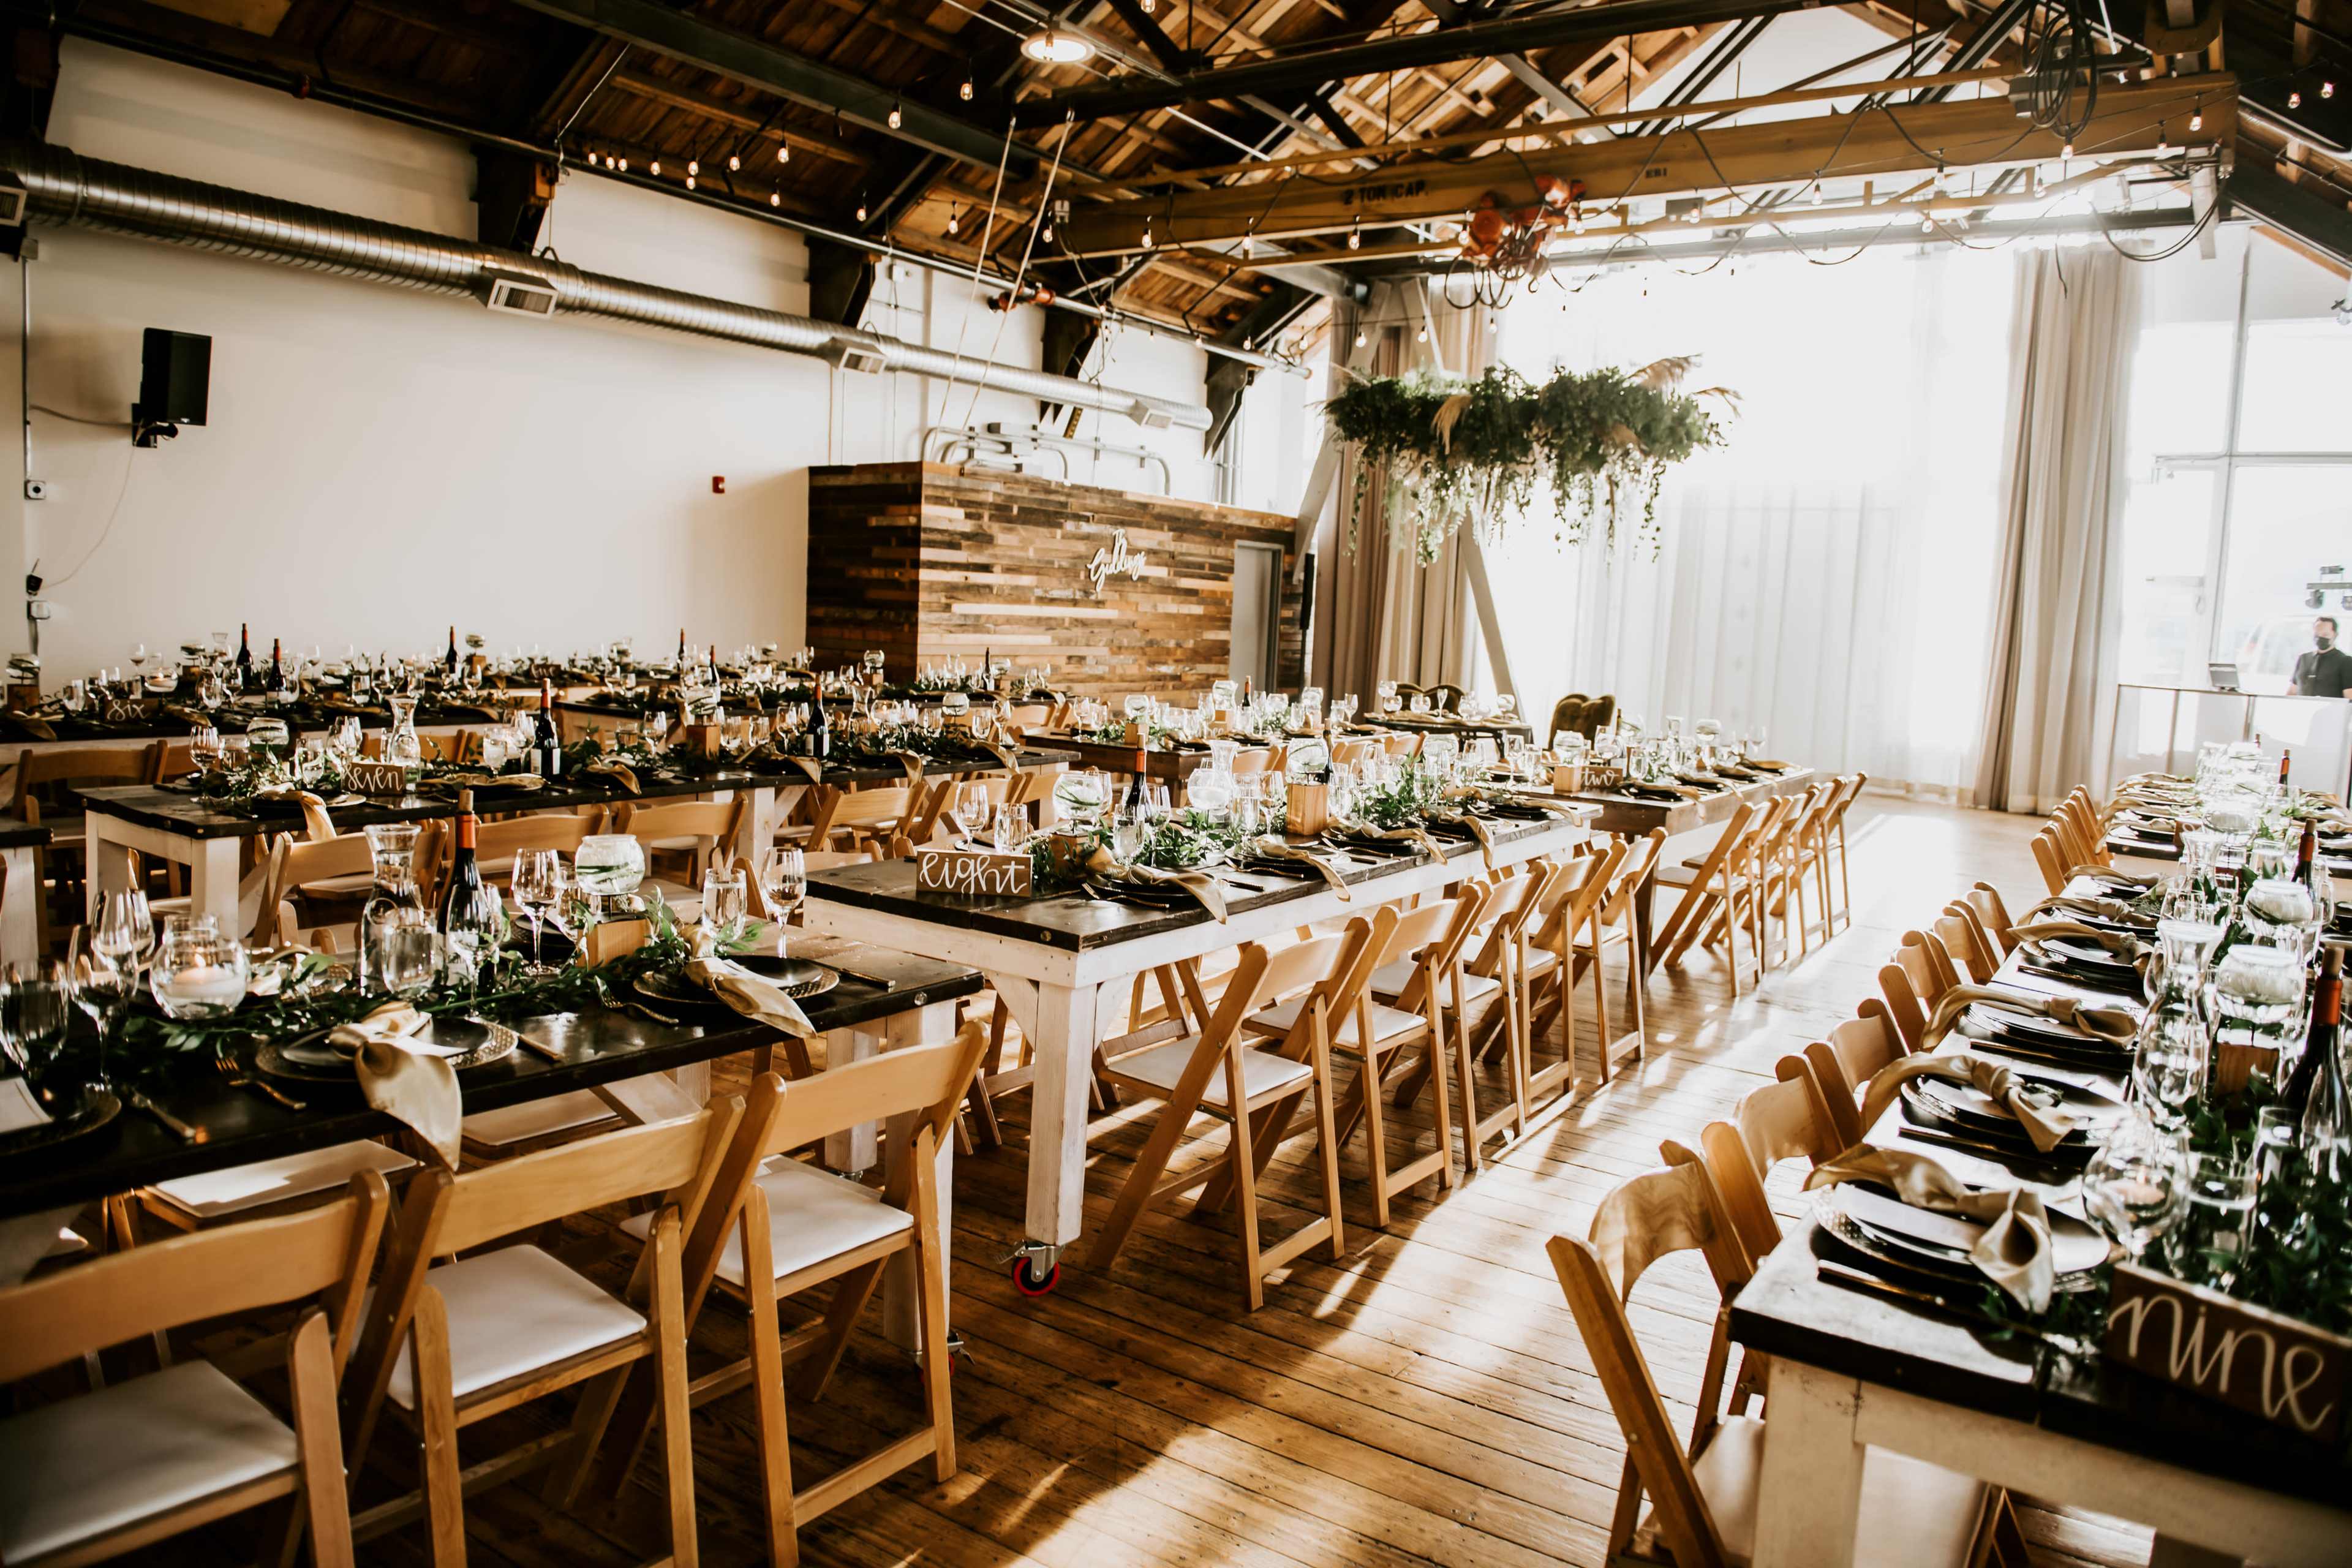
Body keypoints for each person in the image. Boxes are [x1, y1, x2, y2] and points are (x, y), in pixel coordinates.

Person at [2291, 616, 2352, 698]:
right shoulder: (2303, 659)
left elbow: (2350, 697)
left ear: (2335, 635)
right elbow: (2292, 691)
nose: (2320, 638)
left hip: (2331, 710)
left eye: (2325, 634)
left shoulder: (2346, 661)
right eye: (2317, 634)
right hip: (2301, 709)